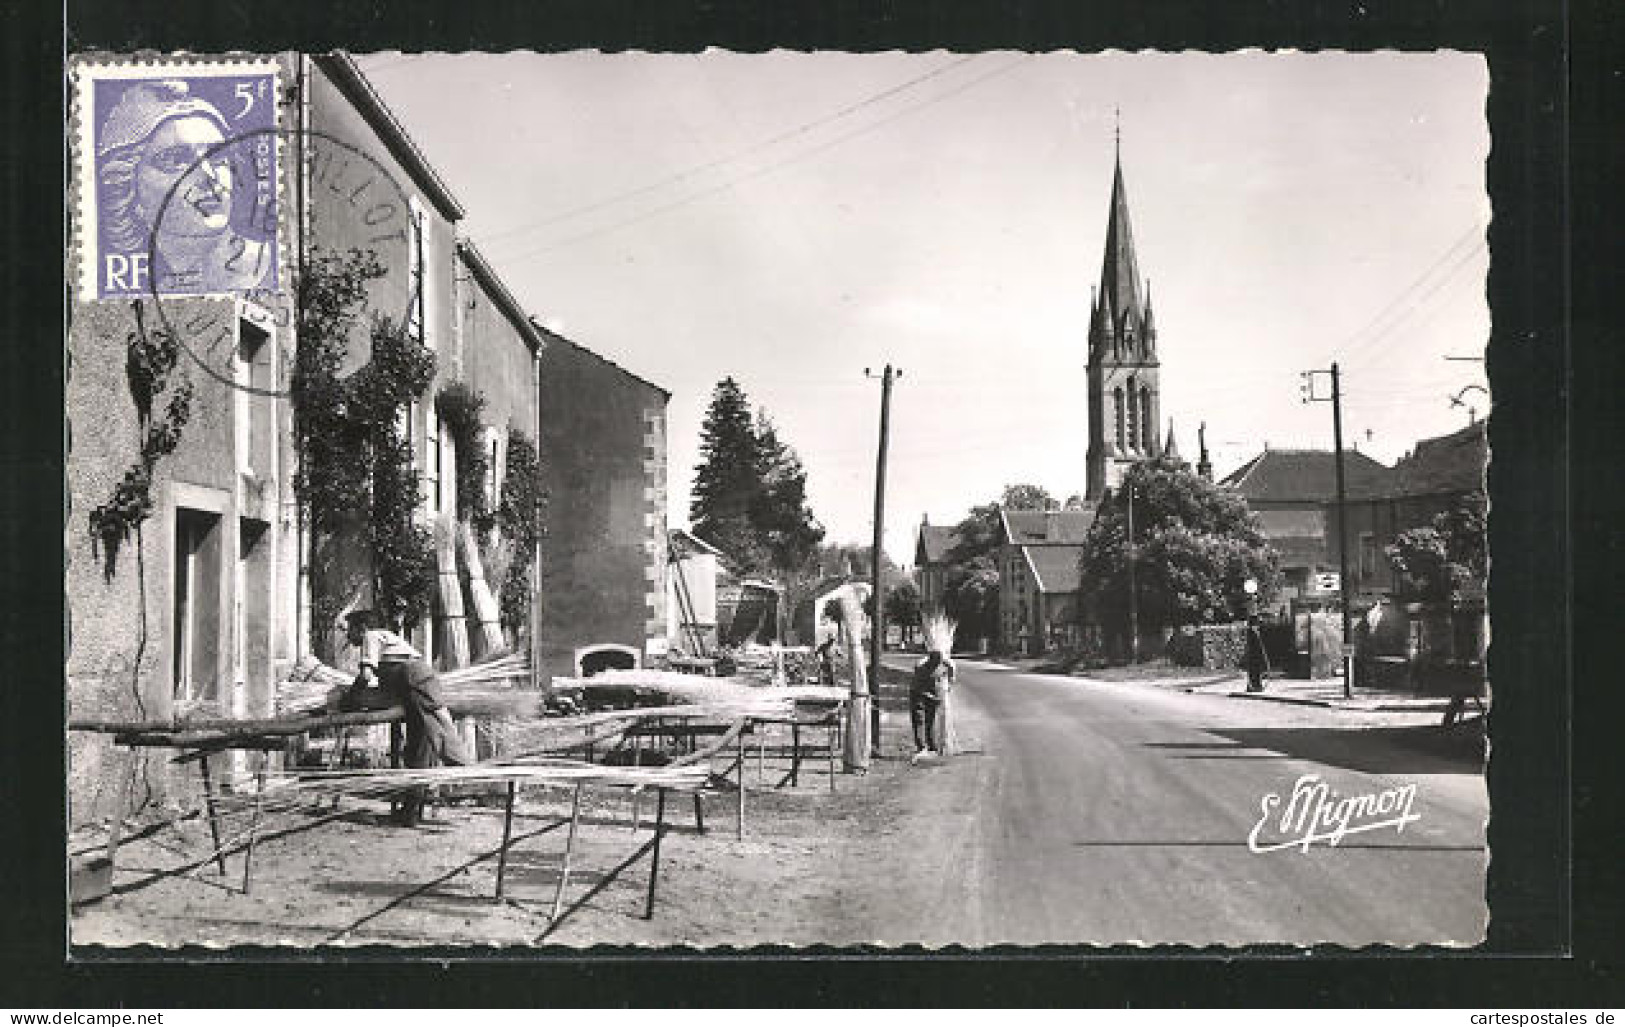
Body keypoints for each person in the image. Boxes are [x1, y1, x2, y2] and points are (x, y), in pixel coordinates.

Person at [96, 79, 273, 293]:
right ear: (127, 186)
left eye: (218, 157)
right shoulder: (145, 285)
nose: (209, 176)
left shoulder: (265, 269)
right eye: (175, 160)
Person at [340, 609, 470, 826]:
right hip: (414, 683)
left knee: (436, 735)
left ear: (361, 628)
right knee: (418, 748)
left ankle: (464, 768)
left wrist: (351, 697)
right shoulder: (386, 638)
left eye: (350, 630)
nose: (348, 636)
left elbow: (366, 675)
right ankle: (410, 812)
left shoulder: (371, 636)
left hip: (414, 681)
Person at [910, 647, 955, 762]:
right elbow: (918, 687)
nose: (936, 665)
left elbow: (951, 673)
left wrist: (949, 684)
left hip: (933, 693)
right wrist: (931, 696)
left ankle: (932, 745)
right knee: (919, 719)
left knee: (931, 719)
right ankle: (921, 746)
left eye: (938, 662)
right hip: (918, 693)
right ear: (929, 660)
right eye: (934, 662)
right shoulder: (921, 667)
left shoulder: (946, 664)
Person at [1244, 615, 1271, 693]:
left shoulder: (1256, 632)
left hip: (1257, 656)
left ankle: (1256, 685)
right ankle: (1253, 686)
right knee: (1253, 671)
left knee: (1257, 671)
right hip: (1253, 656)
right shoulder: (1250, 632)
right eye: (1256, 624)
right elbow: (1251, 645)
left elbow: (1260, 645)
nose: (1258, 625)